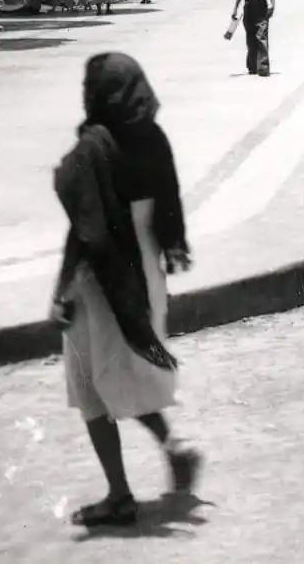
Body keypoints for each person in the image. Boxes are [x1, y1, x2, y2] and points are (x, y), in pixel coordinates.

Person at [52, 52, 203, 527]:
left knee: (89, 382)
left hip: (104, 274)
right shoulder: (151, 135)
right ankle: (172, 447)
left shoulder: (94, 145)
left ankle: (120, 494)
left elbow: (87, 229)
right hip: (145, 265)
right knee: (126, 372)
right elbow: (170, 200)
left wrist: (63, 290)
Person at [228, 0, 276, 77]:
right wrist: (235, 9)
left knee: (262, 36)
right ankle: (252, 66)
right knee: (251, 38)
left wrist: (272, 6)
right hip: (249, 7)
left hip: (261, 6)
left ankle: (263, 67)